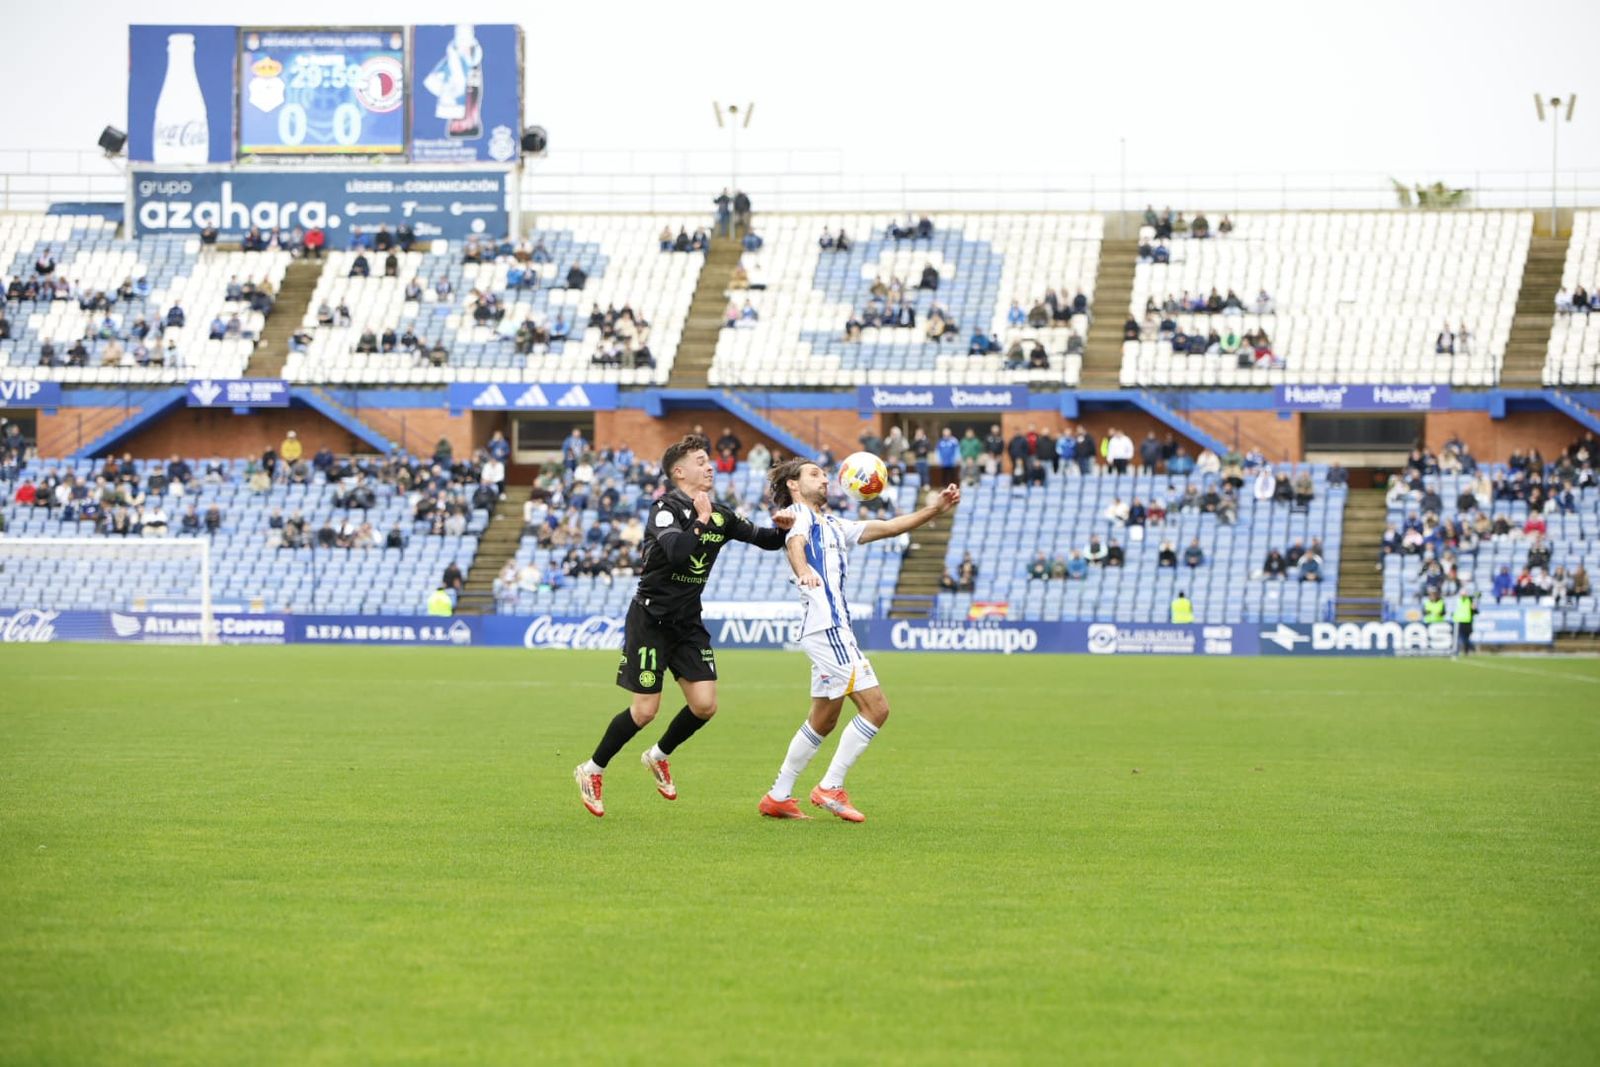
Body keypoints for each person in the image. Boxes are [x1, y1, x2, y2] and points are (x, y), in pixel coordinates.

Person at [572, 435, 794, 818]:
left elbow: (764, 539)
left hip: (688, 622)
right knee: (644, 712)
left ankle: (658, 756)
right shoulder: (665, 508)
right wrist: (701, 520)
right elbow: (676, 553)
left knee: (705, 706)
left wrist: (787, 523)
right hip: (651, 620)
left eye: (709, 461)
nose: (709, 466)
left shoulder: (721, 514)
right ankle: (592, 769)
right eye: (701, 460)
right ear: (680, 472)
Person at [756, 459, 962, 822]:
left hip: (828, 629)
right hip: (828, 627)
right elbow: (796, 542)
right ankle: (830, 787)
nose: (824, 479)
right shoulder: (799, 514)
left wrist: (936, 509)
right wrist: (803, 572)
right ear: (793, 484)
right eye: (814, 474)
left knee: (824, 719)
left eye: (823, 474)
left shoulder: (835, 525)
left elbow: (889, 526)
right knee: (877, 708)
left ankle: (778, 796)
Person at [1453, 590, 1476, 655]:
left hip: (1467, 621)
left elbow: (1474, 610)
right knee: (1459, 637)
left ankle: (1466, 651)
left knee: (1466, 637)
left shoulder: (1469, 600)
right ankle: (1457, 650)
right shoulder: (1457, 600)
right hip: (1459, 621)